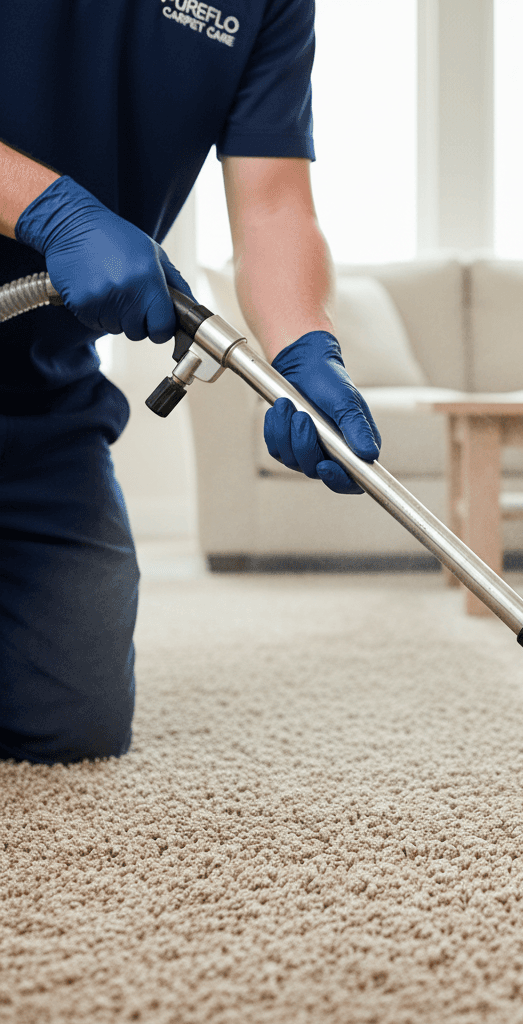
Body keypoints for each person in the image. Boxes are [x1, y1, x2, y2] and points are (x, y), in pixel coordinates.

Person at [0, 0, 380, 764]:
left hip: (41, 403)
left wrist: (307, 348)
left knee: (75, 721)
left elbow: (273, 205)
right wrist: (50, 210)